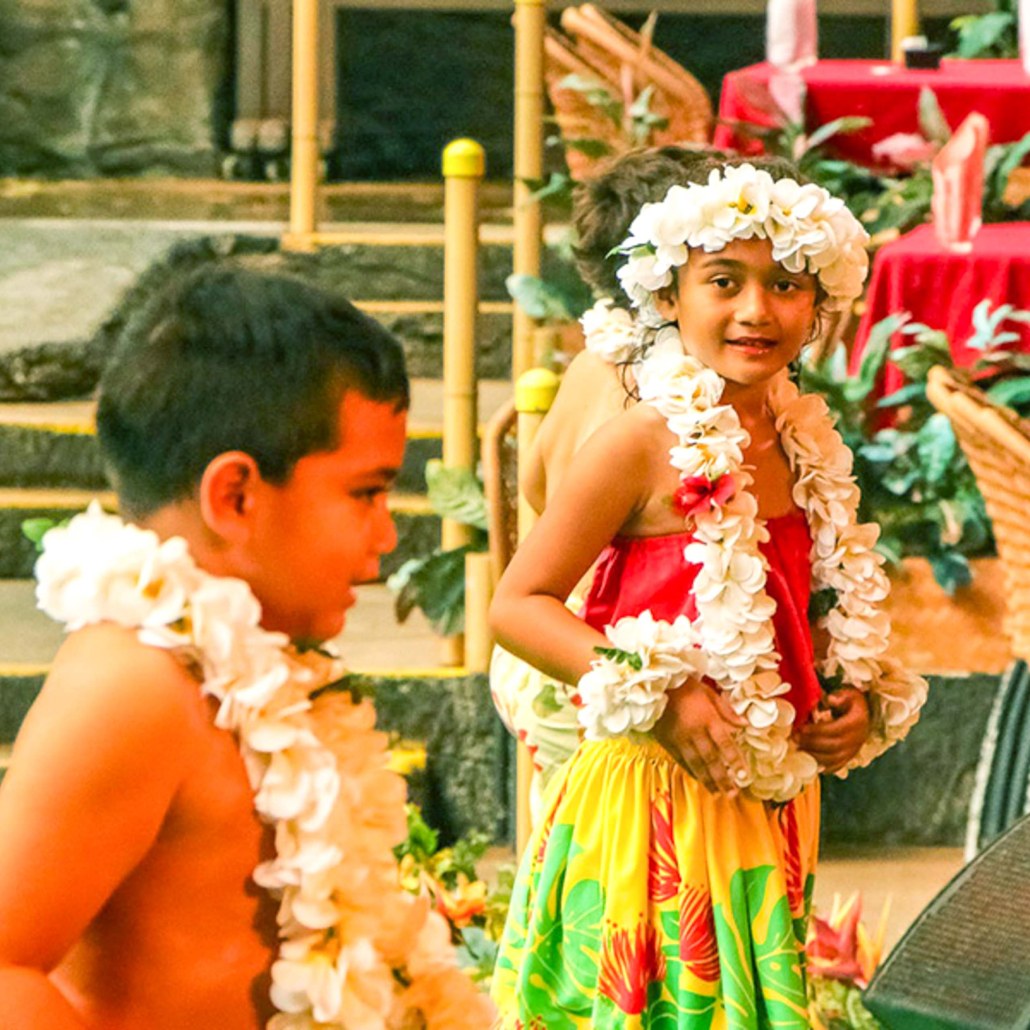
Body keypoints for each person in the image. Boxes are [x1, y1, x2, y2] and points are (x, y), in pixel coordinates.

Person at [489, 159, 929, 1025]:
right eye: (723, 282)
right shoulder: (638, 443)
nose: (756, 310)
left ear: (820, 306)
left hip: (770, 797)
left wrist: (851, 701)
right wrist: (660, 691)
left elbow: (801, 612)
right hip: (652, 795)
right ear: (668, 298)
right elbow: (517, 605)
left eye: (787, 285)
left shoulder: (804, 441)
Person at [0, 265, 494, 1029]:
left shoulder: (254, 667)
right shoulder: (133, 688)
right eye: (366, 493)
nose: (388, 535)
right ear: (236, 496)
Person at [493, 145, 745, 814]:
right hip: (585, 655)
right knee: (599, 847)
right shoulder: (649, 399)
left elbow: (539, 483)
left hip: (551, 651)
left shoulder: (592, 365)